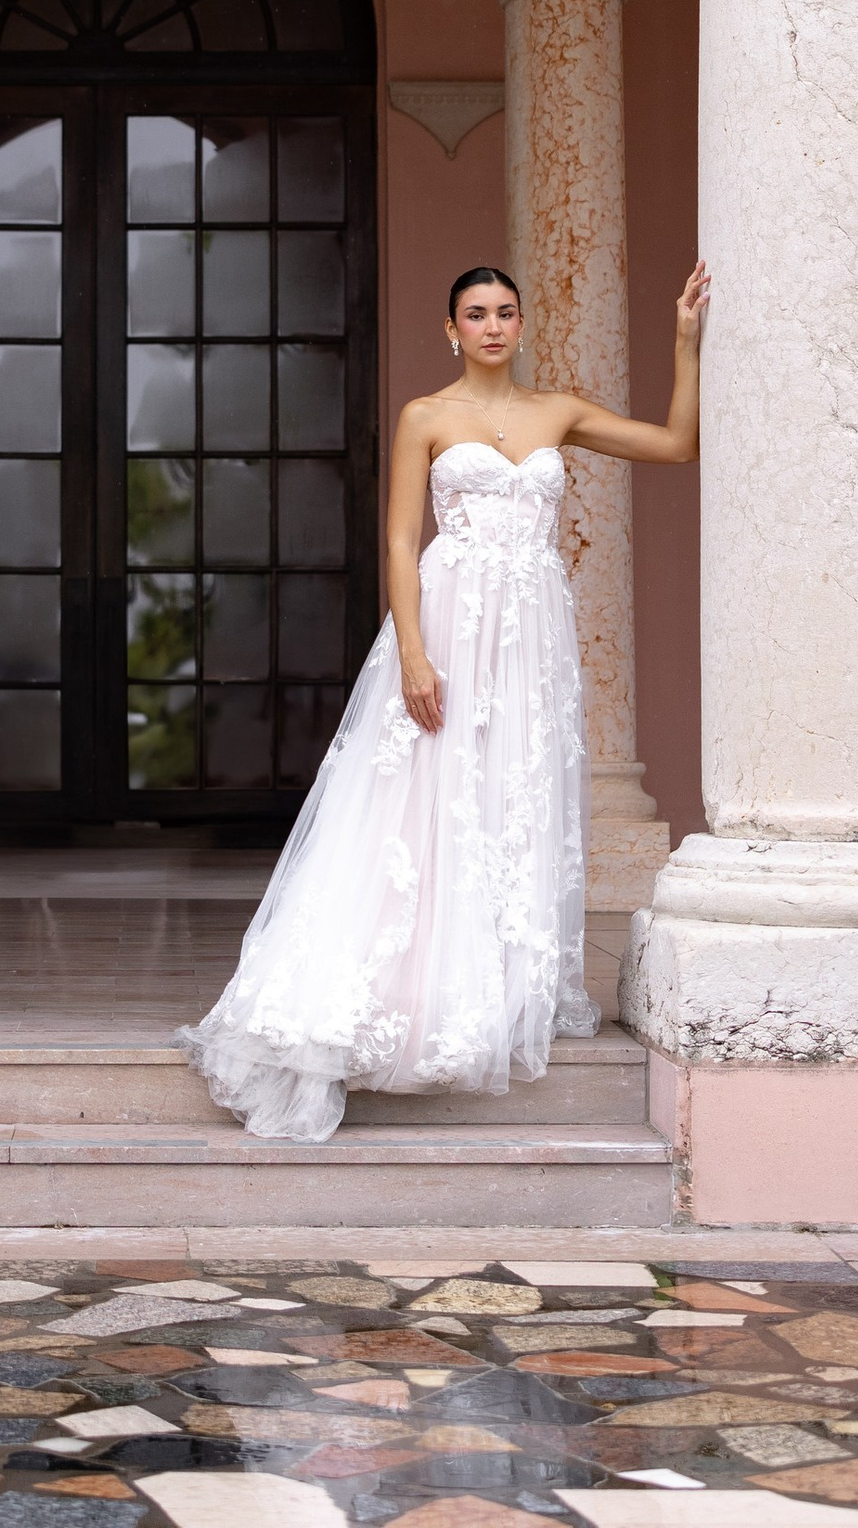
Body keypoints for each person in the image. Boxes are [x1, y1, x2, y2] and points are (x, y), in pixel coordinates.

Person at [179, 251, 707, 1142]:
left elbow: (675, 444)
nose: (493, 324)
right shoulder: (427, 414)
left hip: (532, 635)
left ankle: (493, 982)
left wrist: (687, 342)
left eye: (506, 311)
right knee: (419, 799)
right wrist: (415, 653)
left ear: (523, 324)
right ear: (450, 327)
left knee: (512, 796)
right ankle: (404, 984)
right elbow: (396, 540)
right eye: (476, 312)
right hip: (450, 625)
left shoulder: (558, 411)